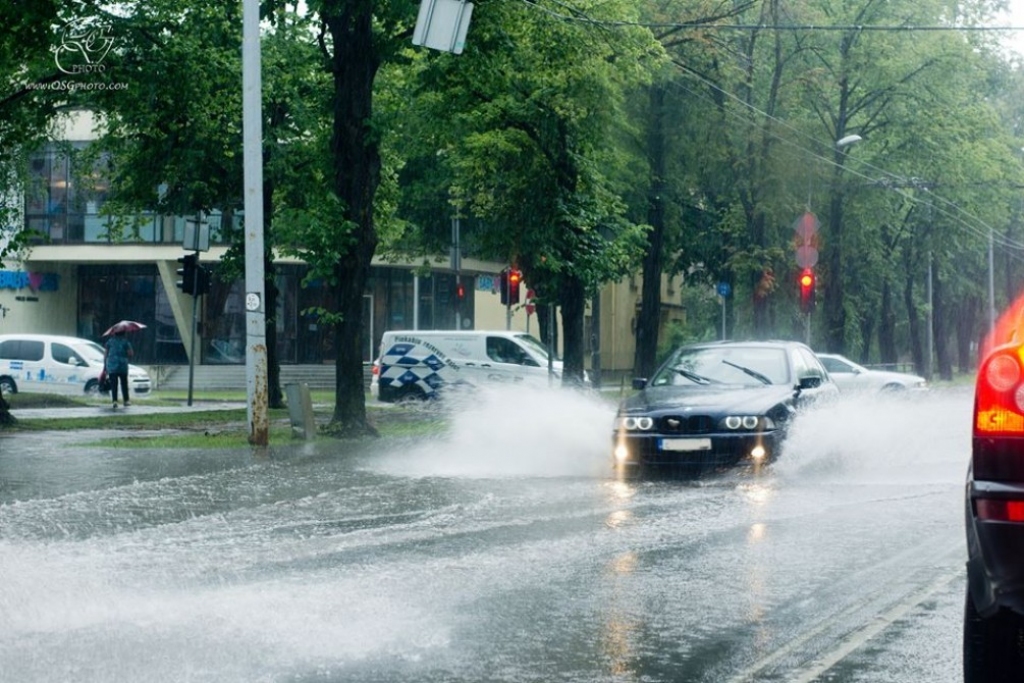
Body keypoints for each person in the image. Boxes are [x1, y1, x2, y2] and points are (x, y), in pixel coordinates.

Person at [104, 330, 134, 409]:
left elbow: (105, 354)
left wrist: (105, 366)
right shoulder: (126, 342)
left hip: (112, 365)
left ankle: (115, 401)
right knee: (124, 383)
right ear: (124, 333)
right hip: (122, 366)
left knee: (114, 384)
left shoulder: (110, 342)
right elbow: (130, 353)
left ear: (114, 333)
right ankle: (126, 400)